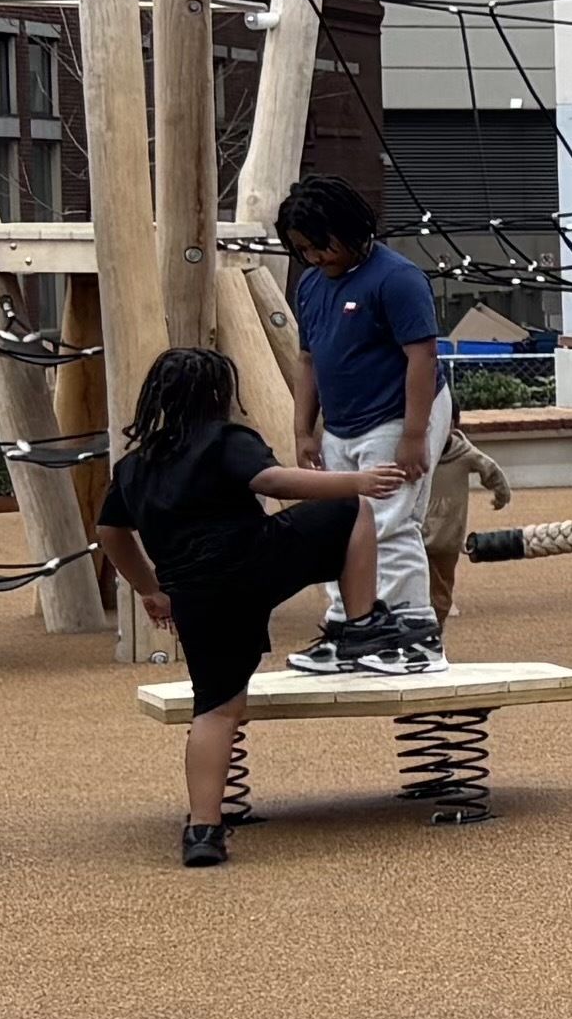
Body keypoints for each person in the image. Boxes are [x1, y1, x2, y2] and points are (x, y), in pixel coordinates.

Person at [88, 345, 409, 866]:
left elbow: (110, 532)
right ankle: (362, 624)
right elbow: (274, 481)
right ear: (220, 395)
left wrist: (151, 589)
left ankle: (203, 833)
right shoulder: (225, 440)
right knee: (352, 511)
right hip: (255, 562)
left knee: (216, 708)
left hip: (194, 592)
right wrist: (356, 481)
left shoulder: (134, 466)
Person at [276, 175, 449, 676]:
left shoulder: (397, 279)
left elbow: (421, 355)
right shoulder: (311, 283)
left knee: (390, 522)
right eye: (303, 249)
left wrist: (414, 435)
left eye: (321, 245)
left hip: (395, 415)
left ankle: (415, 635)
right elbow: (308, 360)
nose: (315, 258)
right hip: (342, 421)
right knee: (342, 525)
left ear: (350, 229)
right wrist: (303, 429)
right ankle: (351, 628)